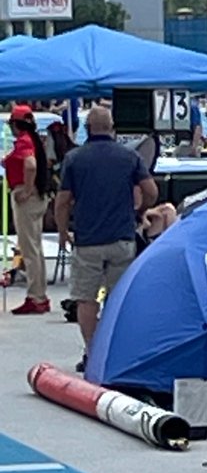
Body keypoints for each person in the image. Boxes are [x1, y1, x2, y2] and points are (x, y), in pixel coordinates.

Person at [54, 105, 158, 374]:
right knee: (118, 298)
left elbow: (63, 201)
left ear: (87, 129)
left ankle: (92, 352)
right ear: (112, 129)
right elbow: (151, 190)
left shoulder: (75, 159)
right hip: (122, 238)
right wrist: (140, 211)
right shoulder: (129, 157)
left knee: (86, 299)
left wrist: (64, 231)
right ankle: (115, 352)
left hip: (88, 239)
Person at [3, 104, 51, 315]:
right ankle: (40, 294)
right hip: (38, 196)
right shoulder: (34, 140)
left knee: (29, 248)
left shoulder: (24, 142)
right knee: (36, 247)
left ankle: (35, 297)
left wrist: (27, 189)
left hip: (25, 194)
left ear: (16, 124)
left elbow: (29, 165)